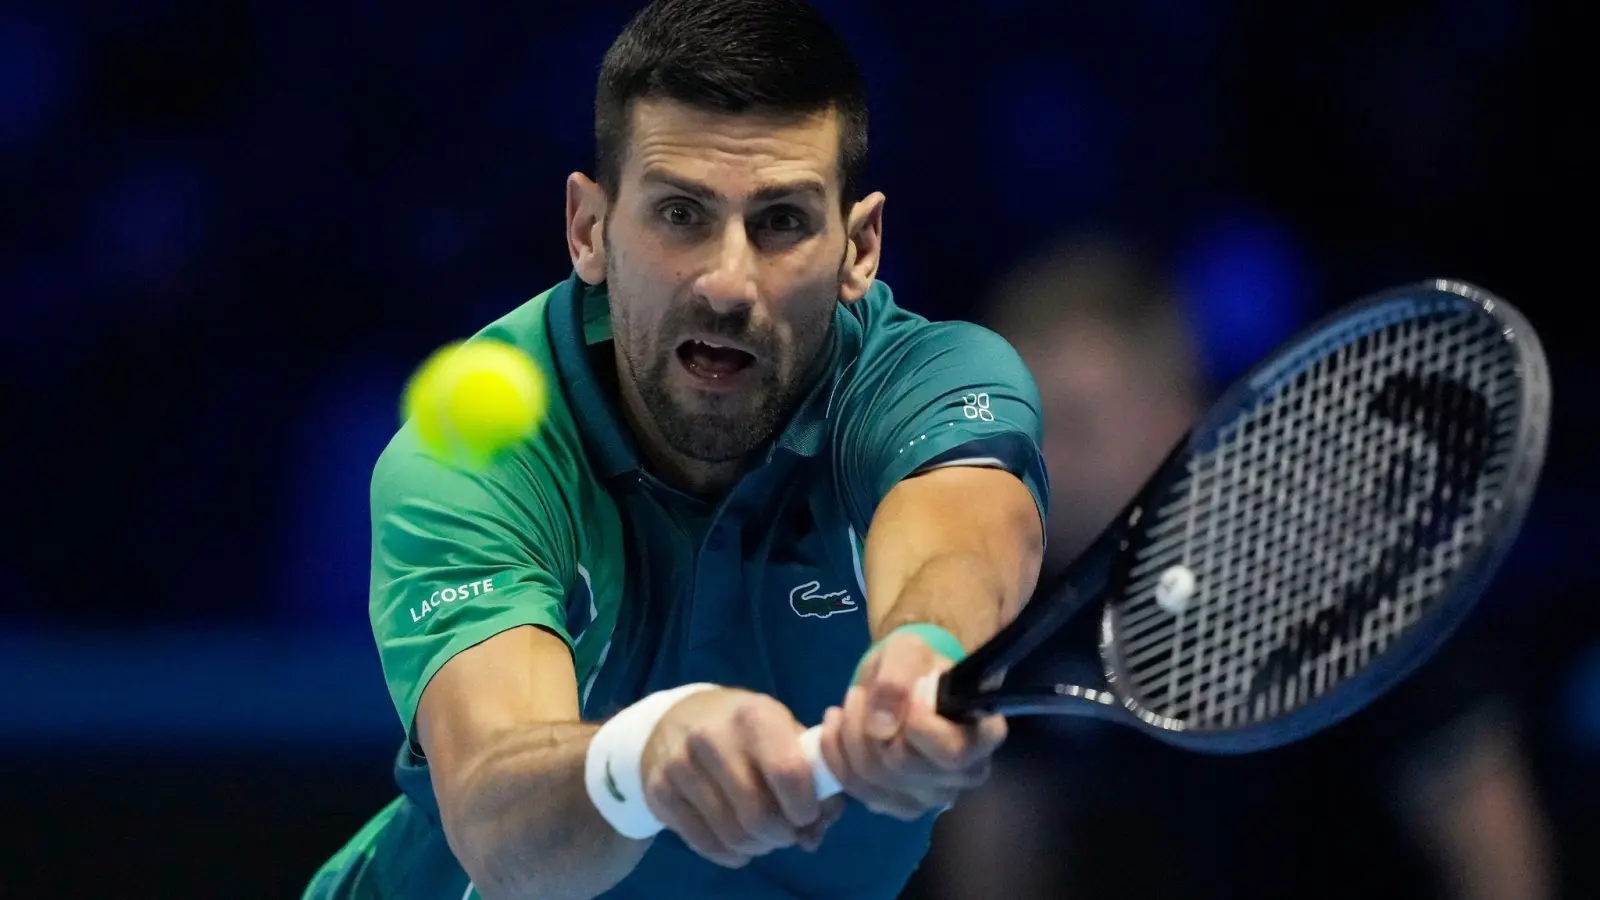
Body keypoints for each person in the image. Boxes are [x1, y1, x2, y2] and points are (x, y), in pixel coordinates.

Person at [301, 2, 1050, 898]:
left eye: (780, 222)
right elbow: (499, 827)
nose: (728, 282)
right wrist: (641, 758)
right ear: (589, 229)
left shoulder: (926, 379)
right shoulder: (476, 454)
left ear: (859, 248)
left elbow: (964, 535)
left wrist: (927, 652)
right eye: (681, 214)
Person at [909, 234, 1557, 900]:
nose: (1042, 471)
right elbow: (993, 863)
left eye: (1076, 426)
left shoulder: (1349, 583)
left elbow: (1488, 832)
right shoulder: (1014, 614)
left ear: (1176, 419)